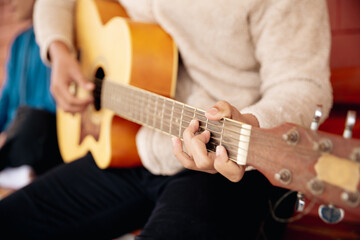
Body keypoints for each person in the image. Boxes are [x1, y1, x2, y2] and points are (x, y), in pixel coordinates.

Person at [0, 0, 333, 239]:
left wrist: (252, 121)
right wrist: (58, 50)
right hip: (134, 146)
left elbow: (303, 83)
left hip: (226, 165)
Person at [0, 0, 62, 190]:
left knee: (35, 119)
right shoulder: (19, 41)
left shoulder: (59, 45)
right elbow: (6, 101)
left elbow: (53, 105)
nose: (7, 2)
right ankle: (13, 170)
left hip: (44, 137)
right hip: (15, 138)